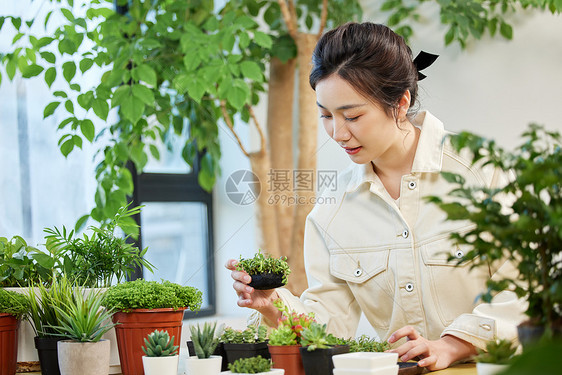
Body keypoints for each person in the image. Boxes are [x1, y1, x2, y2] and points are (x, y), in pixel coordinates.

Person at [226, 22, 525, 371]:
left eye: (352, 116)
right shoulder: (333, 209)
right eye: (325, 115)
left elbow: (526, 288)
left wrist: (452, 345)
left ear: (400, 104)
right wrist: (273, 304)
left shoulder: (482, 173)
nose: (337, 133)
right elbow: (328, 326)